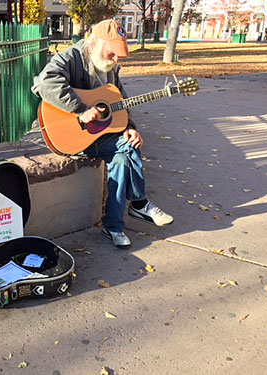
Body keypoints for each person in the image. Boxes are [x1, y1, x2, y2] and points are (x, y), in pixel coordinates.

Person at [31, 19, 173, 249]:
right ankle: (139, 203)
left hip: (101, 136)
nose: (117, 60)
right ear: (95, 42)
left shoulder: (111, 69)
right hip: (71, 136)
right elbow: (45, 82)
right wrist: (81, 109)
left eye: (119, 55)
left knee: (124, 154)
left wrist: (130, 128)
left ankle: (114, 227)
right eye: (113, 53)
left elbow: (121, 103)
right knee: (126, 153)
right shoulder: (70, 58)